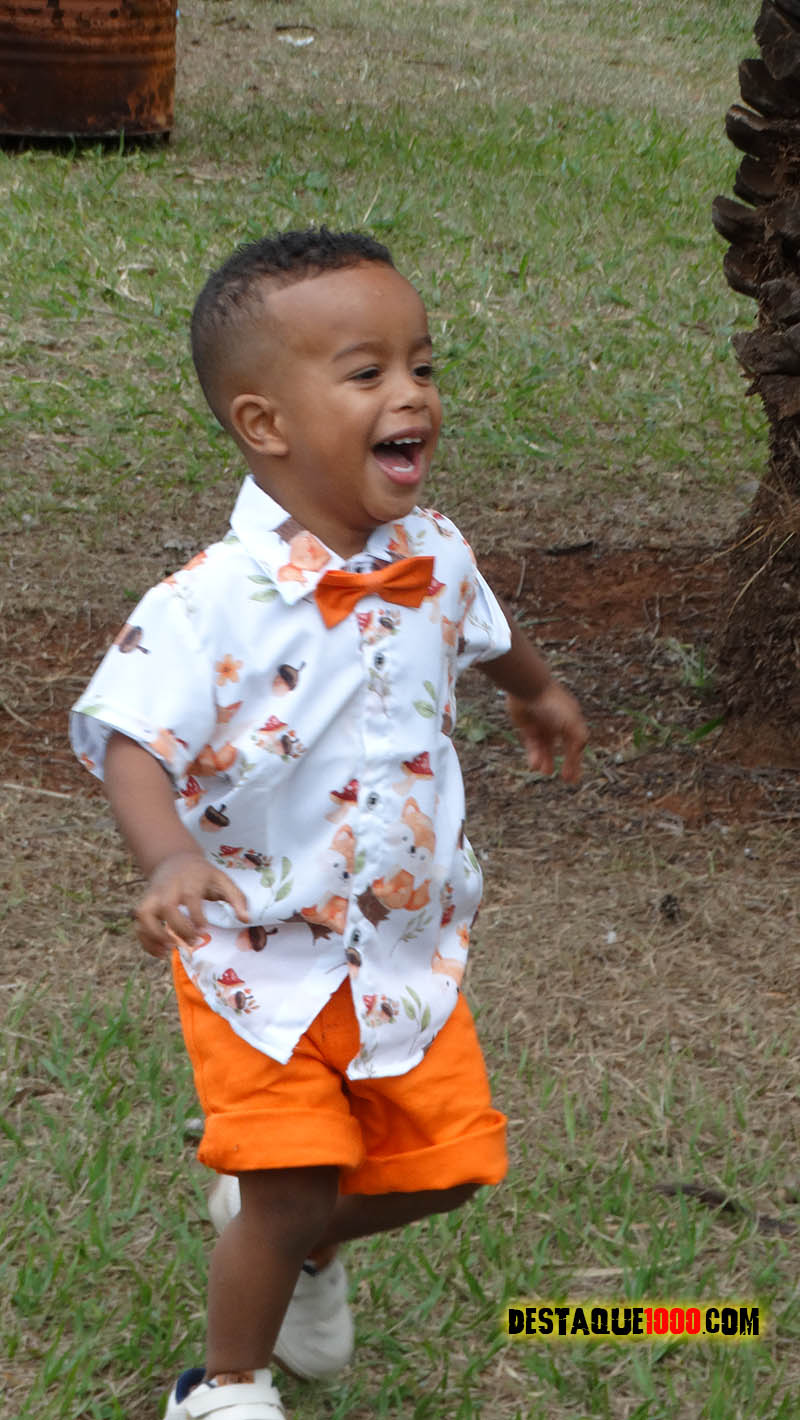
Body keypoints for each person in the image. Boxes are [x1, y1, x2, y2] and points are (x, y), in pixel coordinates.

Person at [70, 227, 587, 1420]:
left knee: (450, 1169)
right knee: (292, 1175)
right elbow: (133, 736)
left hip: (400, 946)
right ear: (264, 423)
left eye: (422, 365)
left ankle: (293, 1239)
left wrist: (536, 691)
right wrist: (169, 856)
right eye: (367, 373)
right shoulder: (207, 601)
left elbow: (483, 628)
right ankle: (225, 1384)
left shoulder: (432, 551)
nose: (411, 393)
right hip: (256, 949)